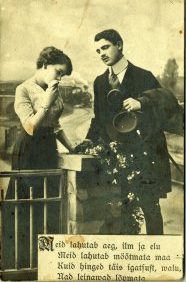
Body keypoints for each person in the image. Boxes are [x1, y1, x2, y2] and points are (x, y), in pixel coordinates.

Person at [84, 29, 174, 235]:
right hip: (116, 157)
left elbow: (164, 105)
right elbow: (98, 119)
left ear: (119, 45)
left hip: (145, 154)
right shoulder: (100, 82)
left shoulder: (144, 76)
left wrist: (141, 103)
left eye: (105, 47)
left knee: (150, 209)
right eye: (98, 51)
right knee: (119, 212)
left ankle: (157, 257)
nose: (102, 54)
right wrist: (88, 141)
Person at [4, 46, 74, 268]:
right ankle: (22, 261)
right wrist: (47, 100)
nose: (60, 78)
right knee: (27, 204)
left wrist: (72, 148)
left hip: (47, 150)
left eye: (63, 74)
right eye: (58, 71)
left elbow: (55, 125)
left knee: (51, 204)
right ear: (44, 65)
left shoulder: (53, 89)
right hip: (29, 150)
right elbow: (31, 126)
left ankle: (46, 262)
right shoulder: (23, 89)